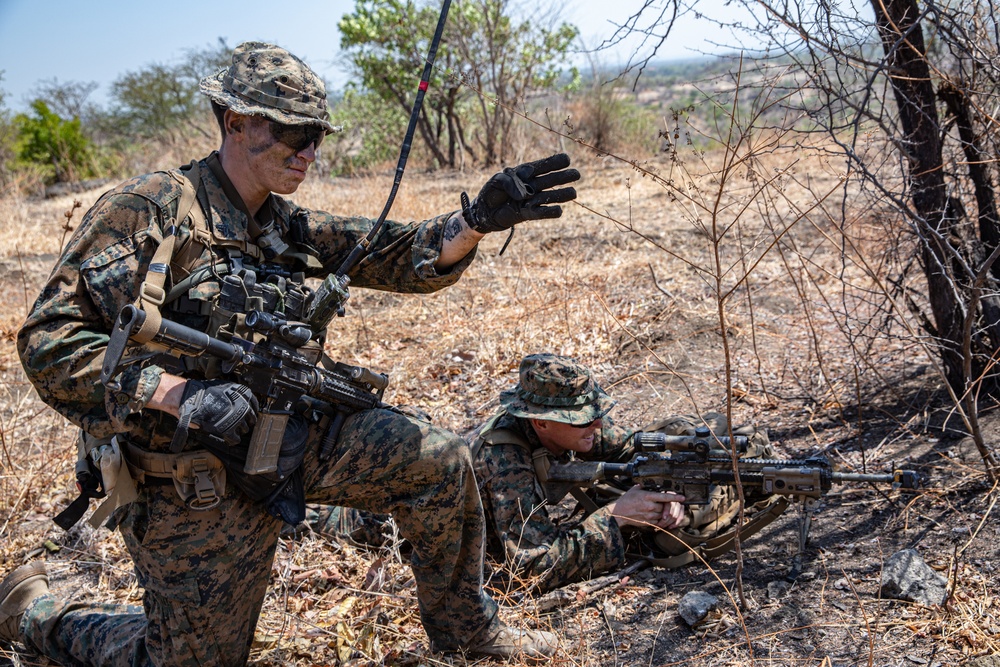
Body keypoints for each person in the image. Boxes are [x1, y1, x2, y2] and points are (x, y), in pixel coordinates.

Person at [2, 42, 581, 665]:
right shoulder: (154, 209)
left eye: (316, 138)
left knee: (436, 460)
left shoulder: (281, 221)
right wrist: (179, 396)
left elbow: (382, 249)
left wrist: (474, 221)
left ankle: (469, 633)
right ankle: (39, 613)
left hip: (285, 439)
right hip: (191, 473)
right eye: (293, 134)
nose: (308, 153)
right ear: (235, 123)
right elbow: (48, 338)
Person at [467, 353, 772, 595]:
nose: (597, 424)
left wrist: (670, 490)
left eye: (595, 412)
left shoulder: (574, 428)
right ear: (541, 422)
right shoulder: (504, 462)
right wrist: (615, 516)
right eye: (583, 418)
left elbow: (630, 448)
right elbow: (531, 569)